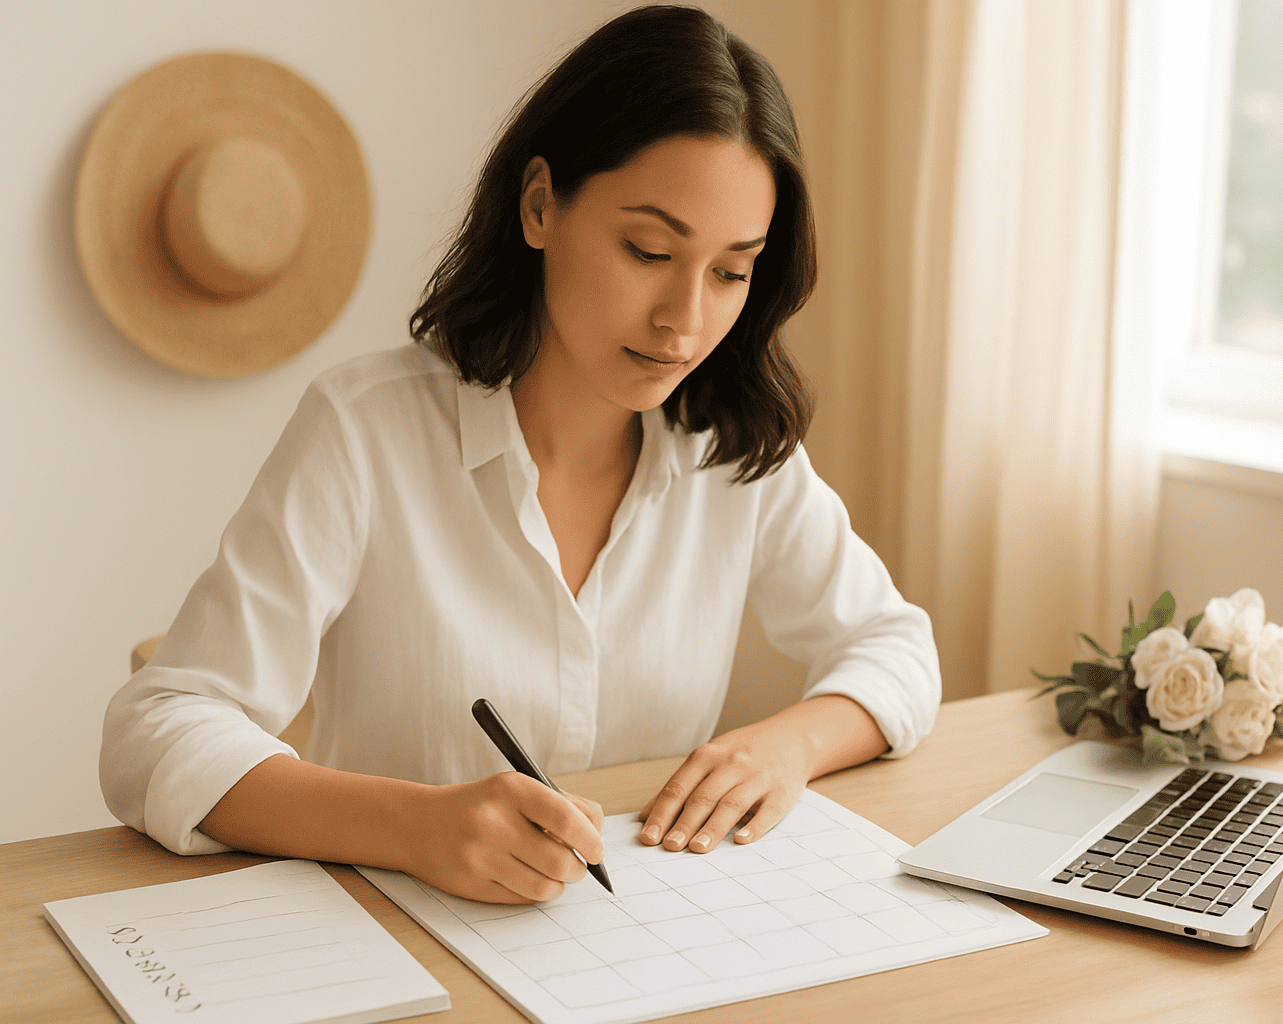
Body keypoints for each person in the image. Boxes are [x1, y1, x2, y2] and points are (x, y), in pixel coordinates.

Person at [101, 3, 940, 906]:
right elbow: (158, 727)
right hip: (398, 935)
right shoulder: (366, 427)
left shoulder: (728, 447)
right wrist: (413, 826)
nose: (685, 320)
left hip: (637, 947)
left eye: (731, 271)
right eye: (649, 249)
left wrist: (785, 745)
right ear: (540, 204)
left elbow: (898, 647)